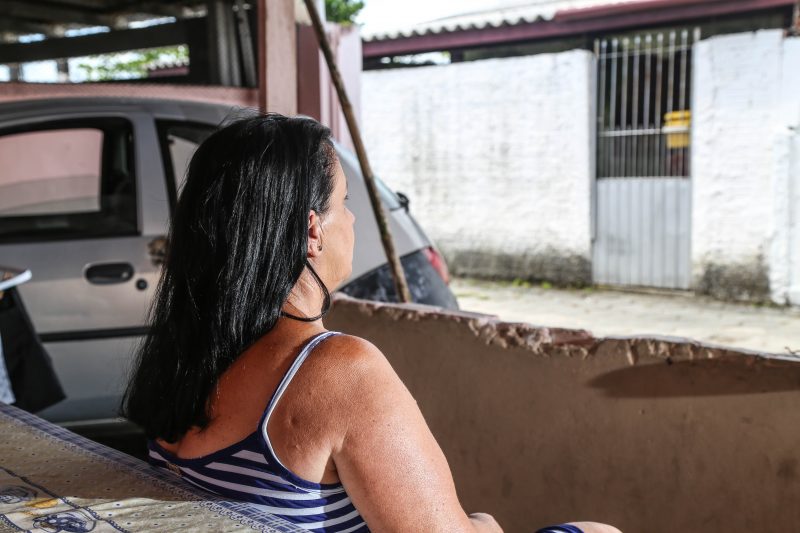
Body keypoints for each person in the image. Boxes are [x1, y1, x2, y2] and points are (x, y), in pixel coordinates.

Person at [123, 114, 620, 533]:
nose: (353, 221)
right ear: (312, 230)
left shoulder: (182, 358)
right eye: (344, 203)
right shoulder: (337, 371)